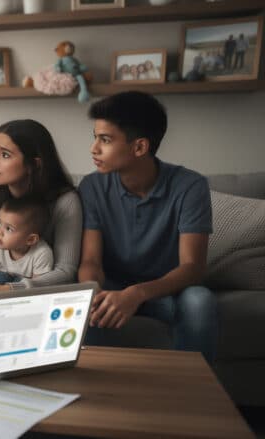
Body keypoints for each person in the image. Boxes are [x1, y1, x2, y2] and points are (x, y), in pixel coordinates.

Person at [78, 91, 217, 363]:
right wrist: (91, 290)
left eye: (105, 140)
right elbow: (91, 260)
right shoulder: (91, 187)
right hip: (113, 288)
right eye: (94, 137)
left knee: (200, 302)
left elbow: (193, 268)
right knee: (87, 306)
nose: (93, 149)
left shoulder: (190, 186)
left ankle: (192, 395)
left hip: (167, 291)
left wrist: (137, 294)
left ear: (139, 147)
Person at [0, 120, 82, 337]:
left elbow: (66, 271)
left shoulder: (65, 202)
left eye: (5, 155)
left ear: (34, 164)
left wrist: (10, 291)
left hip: (39, 292)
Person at [0, 198, 53, 285]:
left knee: (22, 282)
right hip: (0, 283)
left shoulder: (41, 253)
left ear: (30, 239)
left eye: (8, 228)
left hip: (24, 288)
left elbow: (38, 285)